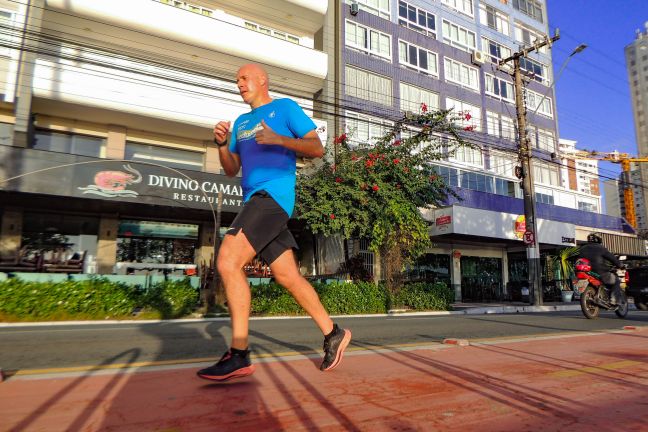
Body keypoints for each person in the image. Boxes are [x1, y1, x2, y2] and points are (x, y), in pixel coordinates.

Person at [197, 64, 352, 382]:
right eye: (236, 79)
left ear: (262, 80)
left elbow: (317, 147)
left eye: (243, 78)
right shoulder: (241, 123)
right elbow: (230, 169)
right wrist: (222, 145)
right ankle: (333, 332)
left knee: (227, 261)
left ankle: (239, 355)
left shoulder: (285, 108)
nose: (238, 83)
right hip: (255, 201)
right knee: (288, 277)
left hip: (272, 198)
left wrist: (279, 139)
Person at [578, 233, 623, 305]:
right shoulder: (601, 248)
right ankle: (614, 299)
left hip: (588, 272)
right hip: (600, 272)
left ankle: (601, 295)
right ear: (599, 239)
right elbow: (612, 258)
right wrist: (620, 265)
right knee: (616, 280)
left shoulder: (582, 248)